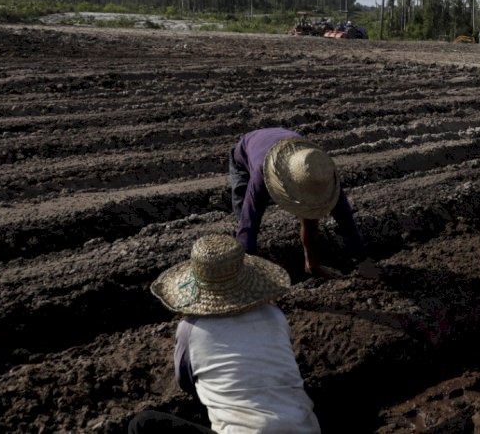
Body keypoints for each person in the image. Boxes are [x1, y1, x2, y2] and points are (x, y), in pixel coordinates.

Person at [130, 234, 320, 433]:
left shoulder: (190, 330)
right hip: (304, 428)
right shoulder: (274, 315)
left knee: (142, 423)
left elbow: (186, 382)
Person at [230, 127, 378, 279]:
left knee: (310, 212)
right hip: (245, 154)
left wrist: (363, 259)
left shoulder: (319, 171)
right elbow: (249, 223)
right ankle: (248, 271)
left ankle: (311, 265)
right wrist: (245, 279)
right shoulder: (261, 176)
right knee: (244, 216)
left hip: (291, 148)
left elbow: (346, 219)